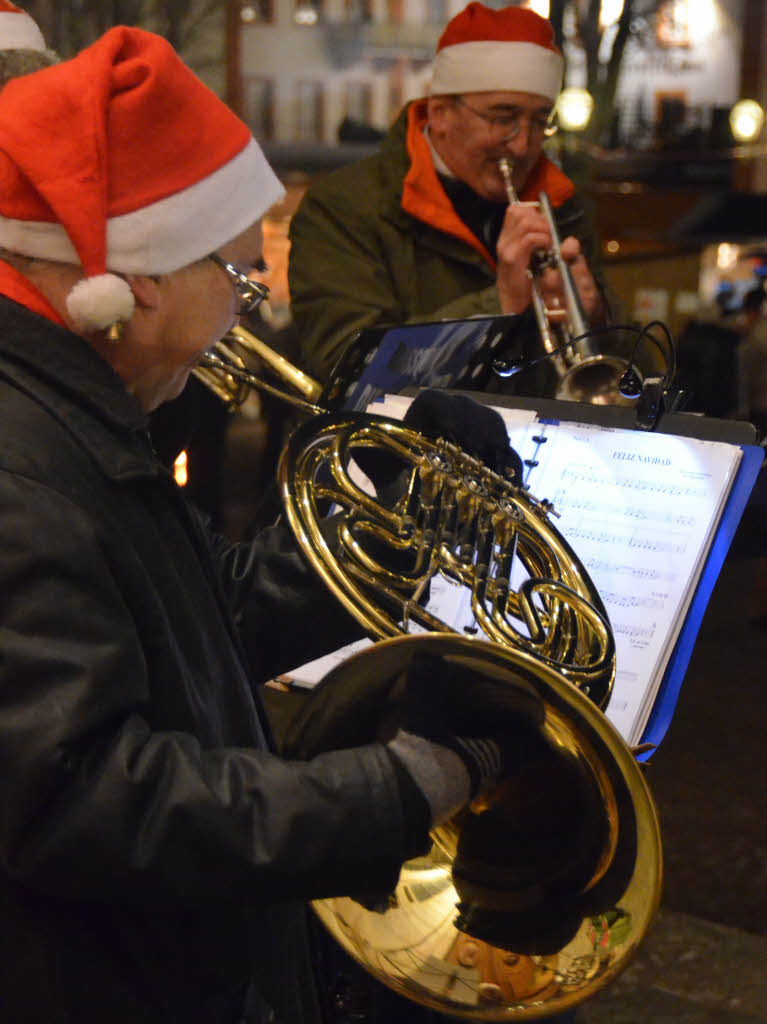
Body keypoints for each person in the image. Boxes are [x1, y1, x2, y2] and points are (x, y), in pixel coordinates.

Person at [0, 26, 554, 1024]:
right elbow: (83, 801)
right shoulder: (21, 455)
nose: (247, 315)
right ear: (145, 278)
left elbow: (215, 608)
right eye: (243, 279)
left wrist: (396, 500)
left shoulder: (78, 409)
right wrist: (401, 785)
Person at [288, 3, 617, 399]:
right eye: (503, 116)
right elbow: (345, 369)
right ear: (441, 113)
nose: (523, 143)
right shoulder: (342, 207)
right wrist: (499, 305)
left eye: (539, 120)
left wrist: (597, 318)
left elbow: (617, 380)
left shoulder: (563, 206)